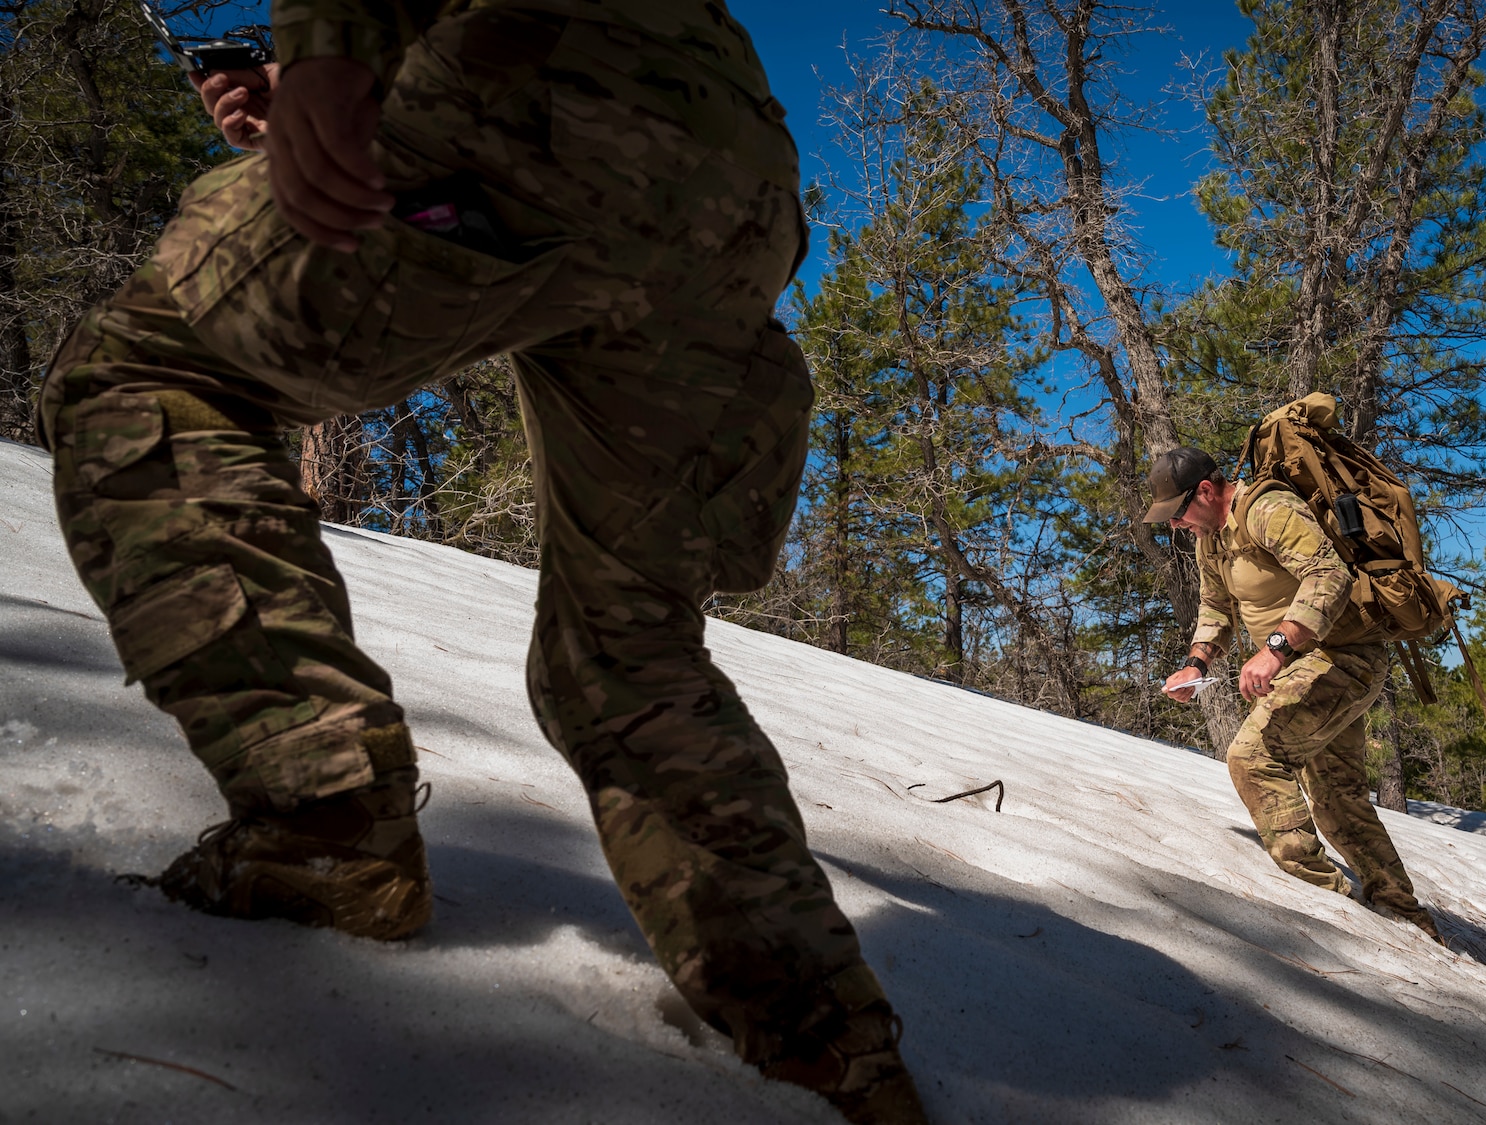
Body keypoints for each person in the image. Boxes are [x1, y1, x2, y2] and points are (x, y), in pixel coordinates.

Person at [37, 1, 924, 1120]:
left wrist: (329, 58)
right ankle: (824, 1043)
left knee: (134, 376)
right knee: (626, 647)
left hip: (530, 91)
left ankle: (323, 826)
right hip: (732, 191)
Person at [1151, 447, 1440, 941]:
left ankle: (1320, 903)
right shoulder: (1212, 540)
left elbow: (1330, 575)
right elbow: (1215, 605)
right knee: (1336, 798)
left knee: (1253, 756)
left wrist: (1275, 649)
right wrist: (1196, 663)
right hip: (1305, 669)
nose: (1176, 526)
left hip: (1342, 659)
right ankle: (1406, 919)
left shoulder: (1268, 509)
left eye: (1177, 514)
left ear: (1204, 491)